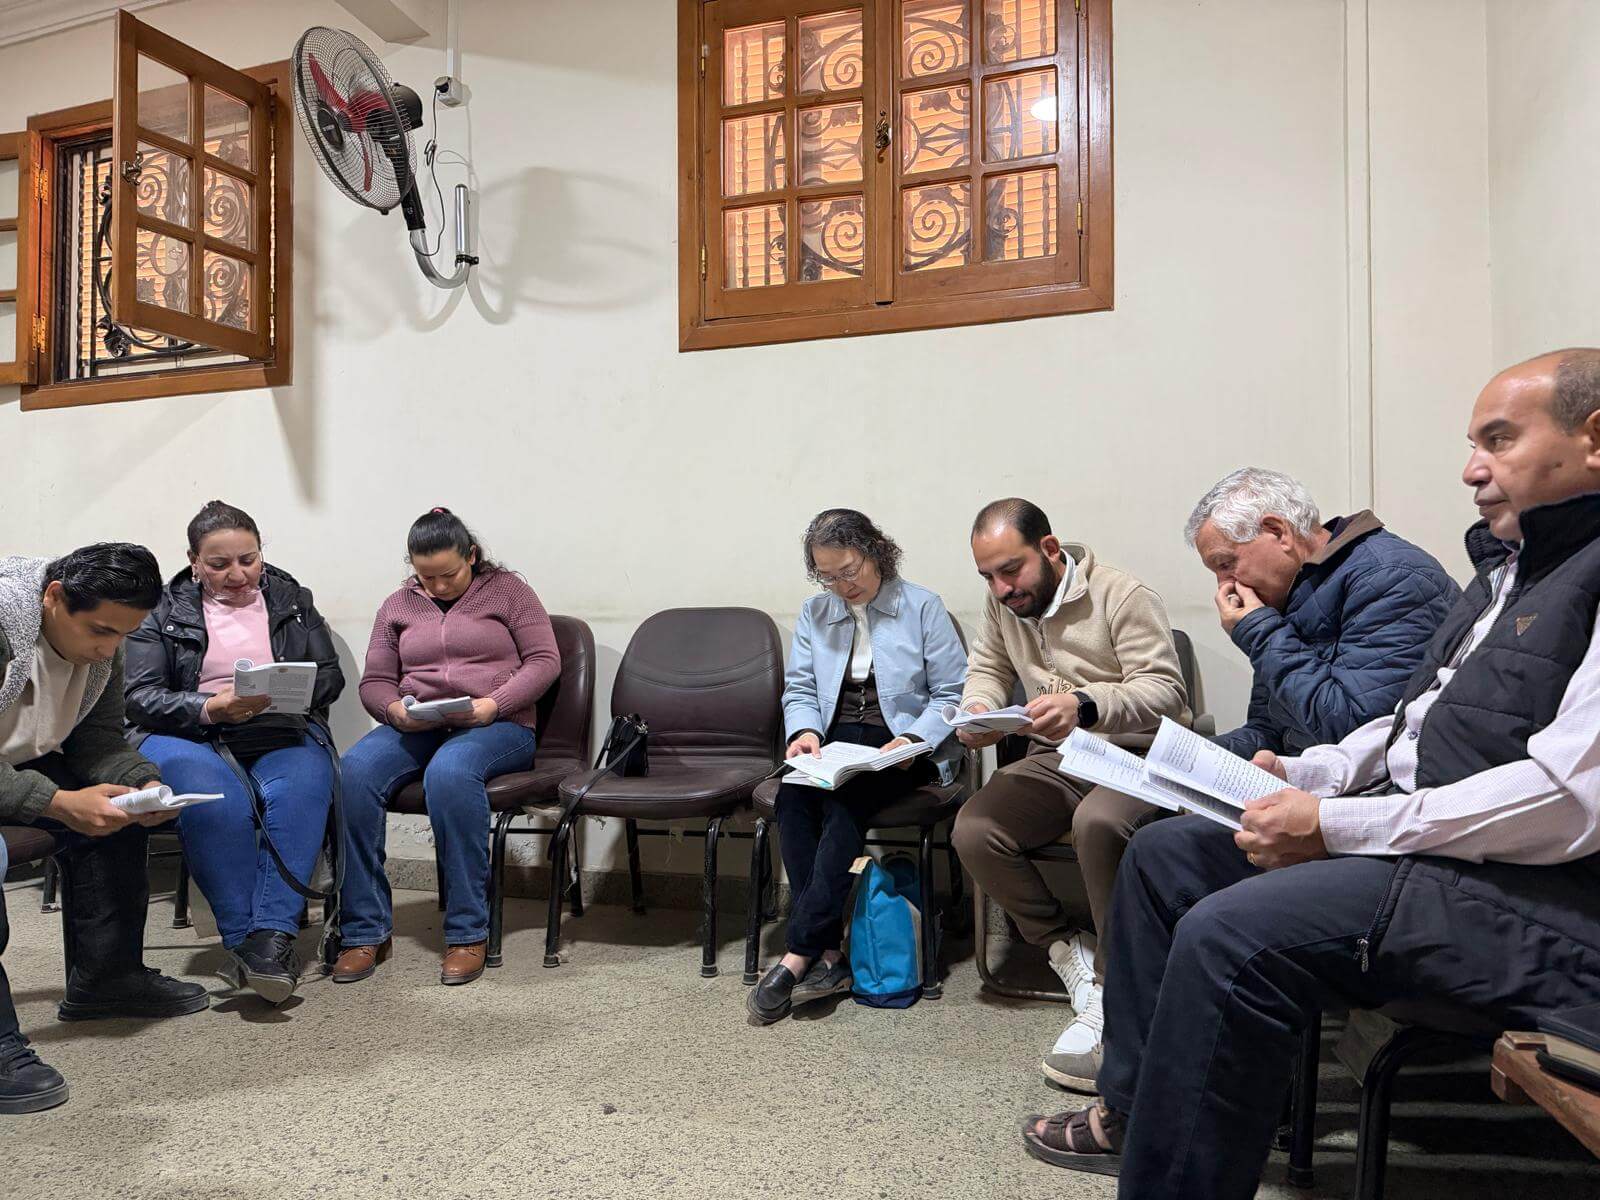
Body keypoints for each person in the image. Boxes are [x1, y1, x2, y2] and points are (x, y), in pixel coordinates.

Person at [1022, 349, 1600, 1199]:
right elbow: (1406, 723)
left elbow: (1569, 800)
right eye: (1472, 444)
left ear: (1593, 440)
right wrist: (1301, 771)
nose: (1471, 469)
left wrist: (1333, 823)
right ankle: (1134, 1109)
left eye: (1499, 439)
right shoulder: (1505, 573)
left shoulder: (1409, 578)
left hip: (1529, 887)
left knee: (1230, 933)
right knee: (1163, 854)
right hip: (1426, 836)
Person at [950, 499, 1190, 1089]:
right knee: (975, 830)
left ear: (1050, 549)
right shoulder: (1003, 604)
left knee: (1098, 823)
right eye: (988, 577)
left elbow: (1166, 692)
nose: (1002, 589)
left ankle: (1114, 989)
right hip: (1058, 757)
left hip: (1134, 756)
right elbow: (988, 668)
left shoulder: (1122, 595)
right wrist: (979, 708)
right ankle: (1067, 950)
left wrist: (1085, 704)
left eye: (1011, 570)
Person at [0, 544, 209, 1116]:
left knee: (118, 815)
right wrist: (57, 802)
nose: (109, 648)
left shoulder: (101, 645)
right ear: (53, 597)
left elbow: (96, 741)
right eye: (99, 631)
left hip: (15, 764)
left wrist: (143, 784)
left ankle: (106, 979)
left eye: (124, 635)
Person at [747, 510, 967, 1024]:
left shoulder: (922, 606)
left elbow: (952, 694)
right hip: (835, 742)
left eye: (848, 570)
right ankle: (828, 953)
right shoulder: (816, 612)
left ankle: (800, 953)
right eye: (827, 576)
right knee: (794, 797)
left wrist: (912, 739)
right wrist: (804, 732)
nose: (842, 585)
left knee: (844, 804)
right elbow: (800, 688)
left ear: (876, 552)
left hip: (902, 746)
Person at [124, 502, 344, 1006]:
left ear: (262, 553)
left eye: (248, 560)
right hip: (188, 732)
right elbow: (139, 696)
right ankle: (254, 942)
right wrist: (209, 707)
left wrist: (292, 690)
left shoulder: (291, 598)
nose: (238, 574)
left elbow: (330, 676)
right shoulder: (161, 608)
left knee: (302, 792)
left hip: (278, 725)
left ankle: (268, 938)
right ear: (194, 562)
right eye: (219, 564)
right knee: (218, 803)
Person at [335, 509, 560, 987]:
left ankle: (466, 932)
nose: (438, 586)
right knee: (352, 771)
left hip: (498, 725)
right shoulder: (397, 606)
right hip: (421, 724)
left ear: (471, 556)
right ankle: (364, 931)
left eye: (449, 574)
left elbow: (544, 661)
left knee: (450, 772)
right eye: (426, 576)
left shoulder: (509, 591)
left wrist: (494, 704)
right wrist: (392, 711)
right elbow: (375, 680)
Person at [1186, 467, 1459, 760]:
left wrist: (1259, 632)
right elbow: (1271, 732)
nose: (1224, 586)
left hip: (1378, 783)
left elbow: (1356, 739)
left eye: (1225, 564)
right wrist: (1189, 756)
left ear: (1278, 531)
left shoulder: (1390, 578)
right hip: (1309, 775)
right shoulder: (1293, 590)